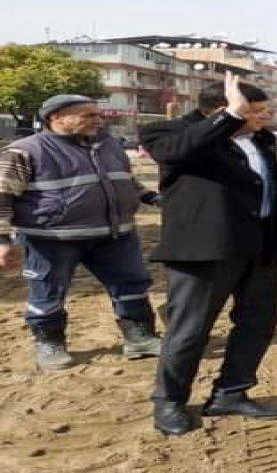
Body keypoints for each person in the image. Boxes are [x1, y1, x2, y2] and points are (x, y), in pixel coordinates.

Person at [142, 73, 277, 436]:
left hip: (261, 248)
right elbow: (176, 153)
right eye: (255, 111)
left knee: (258, 323)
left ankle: (231, 393)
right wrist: (231, 116)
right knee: (189, 331)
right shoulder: (167, 132)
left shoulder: (261, 138)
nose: (265, 117)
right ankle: (169, 401)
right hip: (207, 250)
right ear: (222, 110)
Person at [0, 95, 163, 371]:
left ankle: (140, 337)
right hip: (51, 238)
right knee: (48, 292)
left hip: (115, 234)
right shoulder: (25, 150)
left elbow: (125, 181)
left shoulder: (108, 145)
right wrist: (2, 240)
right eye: (87, 115)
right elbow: (2, 195)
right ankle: (49, 343)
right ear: (56, 118)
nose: (97, 120)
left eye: (98, 115)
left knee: (132, 286)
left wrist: (155, 199)